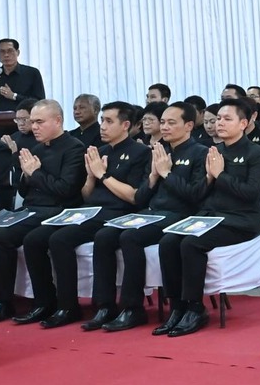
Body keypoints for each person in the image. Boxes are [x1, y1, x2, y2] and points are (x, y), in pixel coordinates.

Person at [22, 101, 150, 329]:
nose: (102, 126)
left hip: (118, 212)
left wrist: (102, 175)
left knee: (65, 239)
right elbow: (86, 195)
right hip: (89, 210)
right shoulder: (98, 151)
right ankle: (48, 302)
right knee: (35, 238)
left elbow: (134, 197)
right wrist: (91, 177)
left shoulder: (140, 152)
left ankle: (96, 305)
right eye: (102, 120)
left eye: (109, 121)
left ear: (125, 125)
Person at [154, 98, 260, 338]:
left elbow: (250, 194)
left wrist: (220, 175)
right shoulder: (212, 151)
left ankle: (195, 307)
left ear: (243, 123)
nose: (220, 123)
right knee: (168, 241)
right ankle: (177, 306)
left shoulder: (256, 153)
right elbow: (199, 194)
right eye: (218, 119)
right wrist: (207, 179)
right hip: (209, 217)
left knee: (191, 243)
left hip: (241, 220)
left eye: (227, 119)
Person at [88, 102, 206, 332]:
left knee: (130, 237)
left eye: (172, 123)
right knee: (104, 235)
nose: (165, 127)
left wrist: (167, 173)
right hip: (151, 212)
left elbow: (194, 196)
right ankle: (105, 305)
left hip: (180, 215)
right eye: (163, 122)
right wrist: (153, 178)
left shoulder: (200, 153)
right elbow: (140, 197)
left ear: (189, 125)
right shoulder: (159, 152)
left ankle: (134, 308)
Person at [0, 100, 84, 324]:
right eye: (32, 122)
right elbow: (23, 189)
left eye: (39, 122)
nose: (34, 127)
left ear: (57, 121)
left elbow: (65, 190)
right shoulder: (37, 149)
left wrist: (35, 173)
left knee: (28, 240)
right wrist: (26, 174)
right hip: (31, 208)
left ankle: (43, 301)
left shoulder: (74, 148)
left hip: (57, 210)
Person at [0, 37, 44, 112]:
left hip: (25, 120)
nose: (6, 55)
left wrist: (14, 96)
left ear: (18, 52)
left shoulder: (32, 73)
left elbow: (40, 102)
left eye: (10, 51)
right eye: (2, 52)